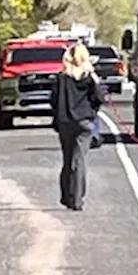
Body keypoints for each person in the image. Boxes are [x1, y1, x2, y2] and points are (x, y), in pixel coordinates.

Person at [49, 43, 103, 210]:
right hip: (84, 122)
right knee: (78, 160)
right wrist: (91, 113)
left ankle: (66, 196)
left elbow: (53, 100)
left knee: (67, 159)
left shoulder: (61, 78)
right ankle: (77, 199)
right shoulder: (88, 77)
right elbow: (98, 98)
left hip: (65, 122)